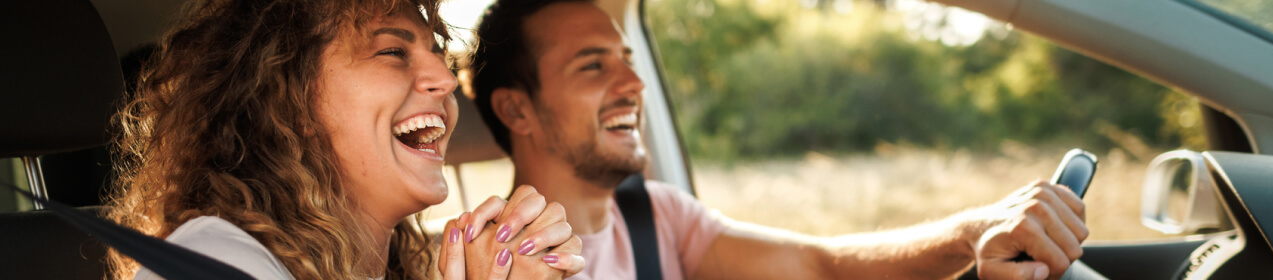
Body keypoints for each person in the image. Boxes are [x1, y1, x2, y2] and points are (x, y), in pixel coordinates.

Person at [452, 0, 1095, 279]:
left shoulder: (658, 218)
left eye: (627, 58)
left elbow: (822, 267)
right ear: (517, 109)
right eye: (593, 66)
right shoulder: (483, 264)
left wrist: (973, 230)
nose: (633, 84)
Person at [104, 0, 581, 279]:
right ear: (289, 97)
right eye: (393, 51)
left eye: (439, 54)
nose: (446, 78)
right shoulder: (209, 264)